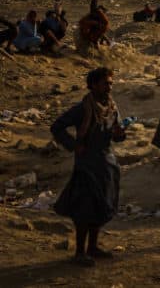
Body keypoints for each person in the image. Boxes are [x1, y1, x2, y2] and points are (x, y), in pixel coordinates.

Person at [50, 67, 126, 266]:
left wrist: (119, 134)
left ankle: (93, 247)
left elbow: (116, 134)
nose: (109, 87)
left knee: (102, 205)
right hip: (87, 165)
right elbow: (56, 127)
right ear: (93, 85)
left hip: (106, 164)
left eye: (110, 83)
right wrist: (75, 146)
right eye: (105, 83)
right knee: (85, 208)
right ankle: (80, 252)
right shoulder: (82, 108)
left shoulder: (112, 107)